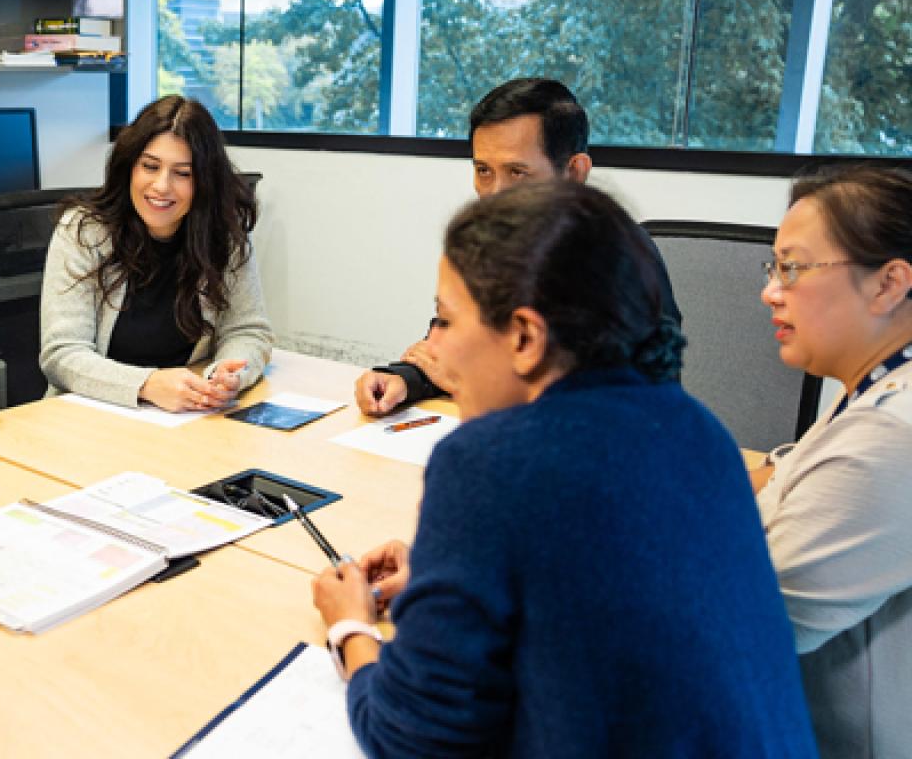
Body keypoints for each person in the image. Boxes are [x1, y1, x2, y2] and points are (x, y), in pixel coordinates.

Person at [311, 182, 815, 755]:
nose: (434, 349)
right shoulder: (699, 431)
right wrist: (446, 575)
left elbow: (412, 735)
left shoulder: (487, 461)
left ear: (525, 337)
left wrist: (349, 629)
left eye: (446, 322)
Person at [354, 77, 682, 415]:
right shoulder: (488, 242)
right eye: (483, 170)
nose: (494, 194)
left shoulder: (618, 260)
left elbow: (638, 401)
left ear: (574, 171)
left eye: (517, 173)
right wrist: (406, 379)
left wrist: (470, 385)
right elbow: (454, 348)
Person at [751, 165, 912, 757]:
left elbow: (743, 622)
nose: (771, 290)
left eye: (792, 267)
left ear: (888, 283)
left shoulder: (889, 438)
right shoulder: (874, 386)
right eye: (774, 267)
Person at [39, 95, 272, 412]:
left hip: (185, 416)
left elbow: (247, 329)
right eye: (150, 166)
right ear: (129, 167)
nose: (162, 186)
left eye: (183, 173)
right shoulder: (83, 231)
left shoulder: (223, 236)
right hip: (90, 413)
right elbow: (62, 354)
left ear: (205, 181)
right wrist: (147, 385)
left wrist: (230, 373)